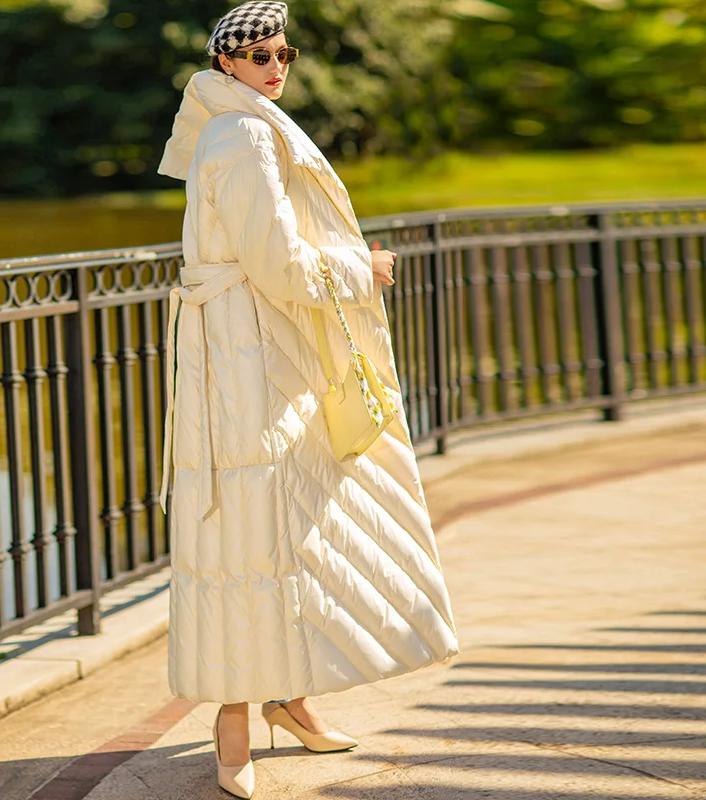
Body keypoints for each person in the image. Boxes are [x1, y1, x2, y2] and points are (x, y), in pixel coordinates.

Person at [157, 2, 459, 797]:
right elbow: (276, 261)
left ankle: (289, 701)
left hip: (262, 348)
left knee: (282, 519)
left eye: (283, 52)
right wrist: (365, 269)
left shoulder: (237, 125)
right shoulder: (245, 133)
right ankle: (233, 728)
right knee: (246, 525)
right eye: (257, 54)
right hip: (249, 353)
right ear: (227, 63)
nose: (275, 65)